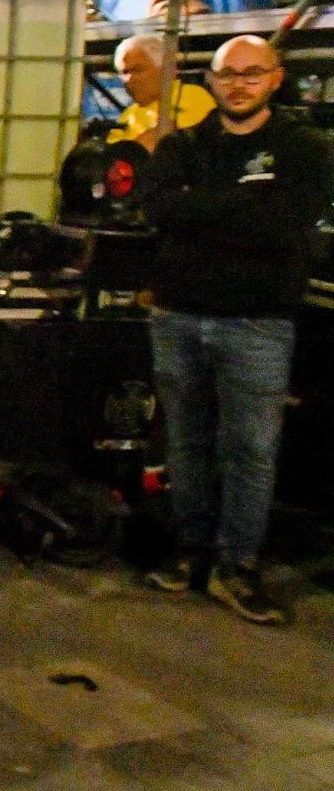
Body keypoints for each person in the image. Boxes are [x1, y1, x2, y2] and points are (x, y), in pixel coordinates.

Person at [139, 36, 334, 623]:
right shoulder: (183, 146)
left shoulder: (304, 150)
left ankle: (237, 565)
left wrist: (201, 208)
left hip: (259, 324)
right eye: (229, 74)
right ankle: (191, 553)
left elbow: (286, 222)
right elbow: (158, 210)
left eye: (253, 73)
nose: (240, 84)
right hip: (178, 316)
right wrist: (241, 210)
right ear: (212, 81)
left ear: (275, 79)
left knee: (250, 450)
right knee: (186, 442)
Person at [107, 33, 214, 150]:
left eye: (138, 70)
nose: (129, 79)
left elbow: (169, 142)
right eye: (125, 72)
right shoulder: (127, 115)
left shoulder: (192, 96)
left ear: (164, 69)